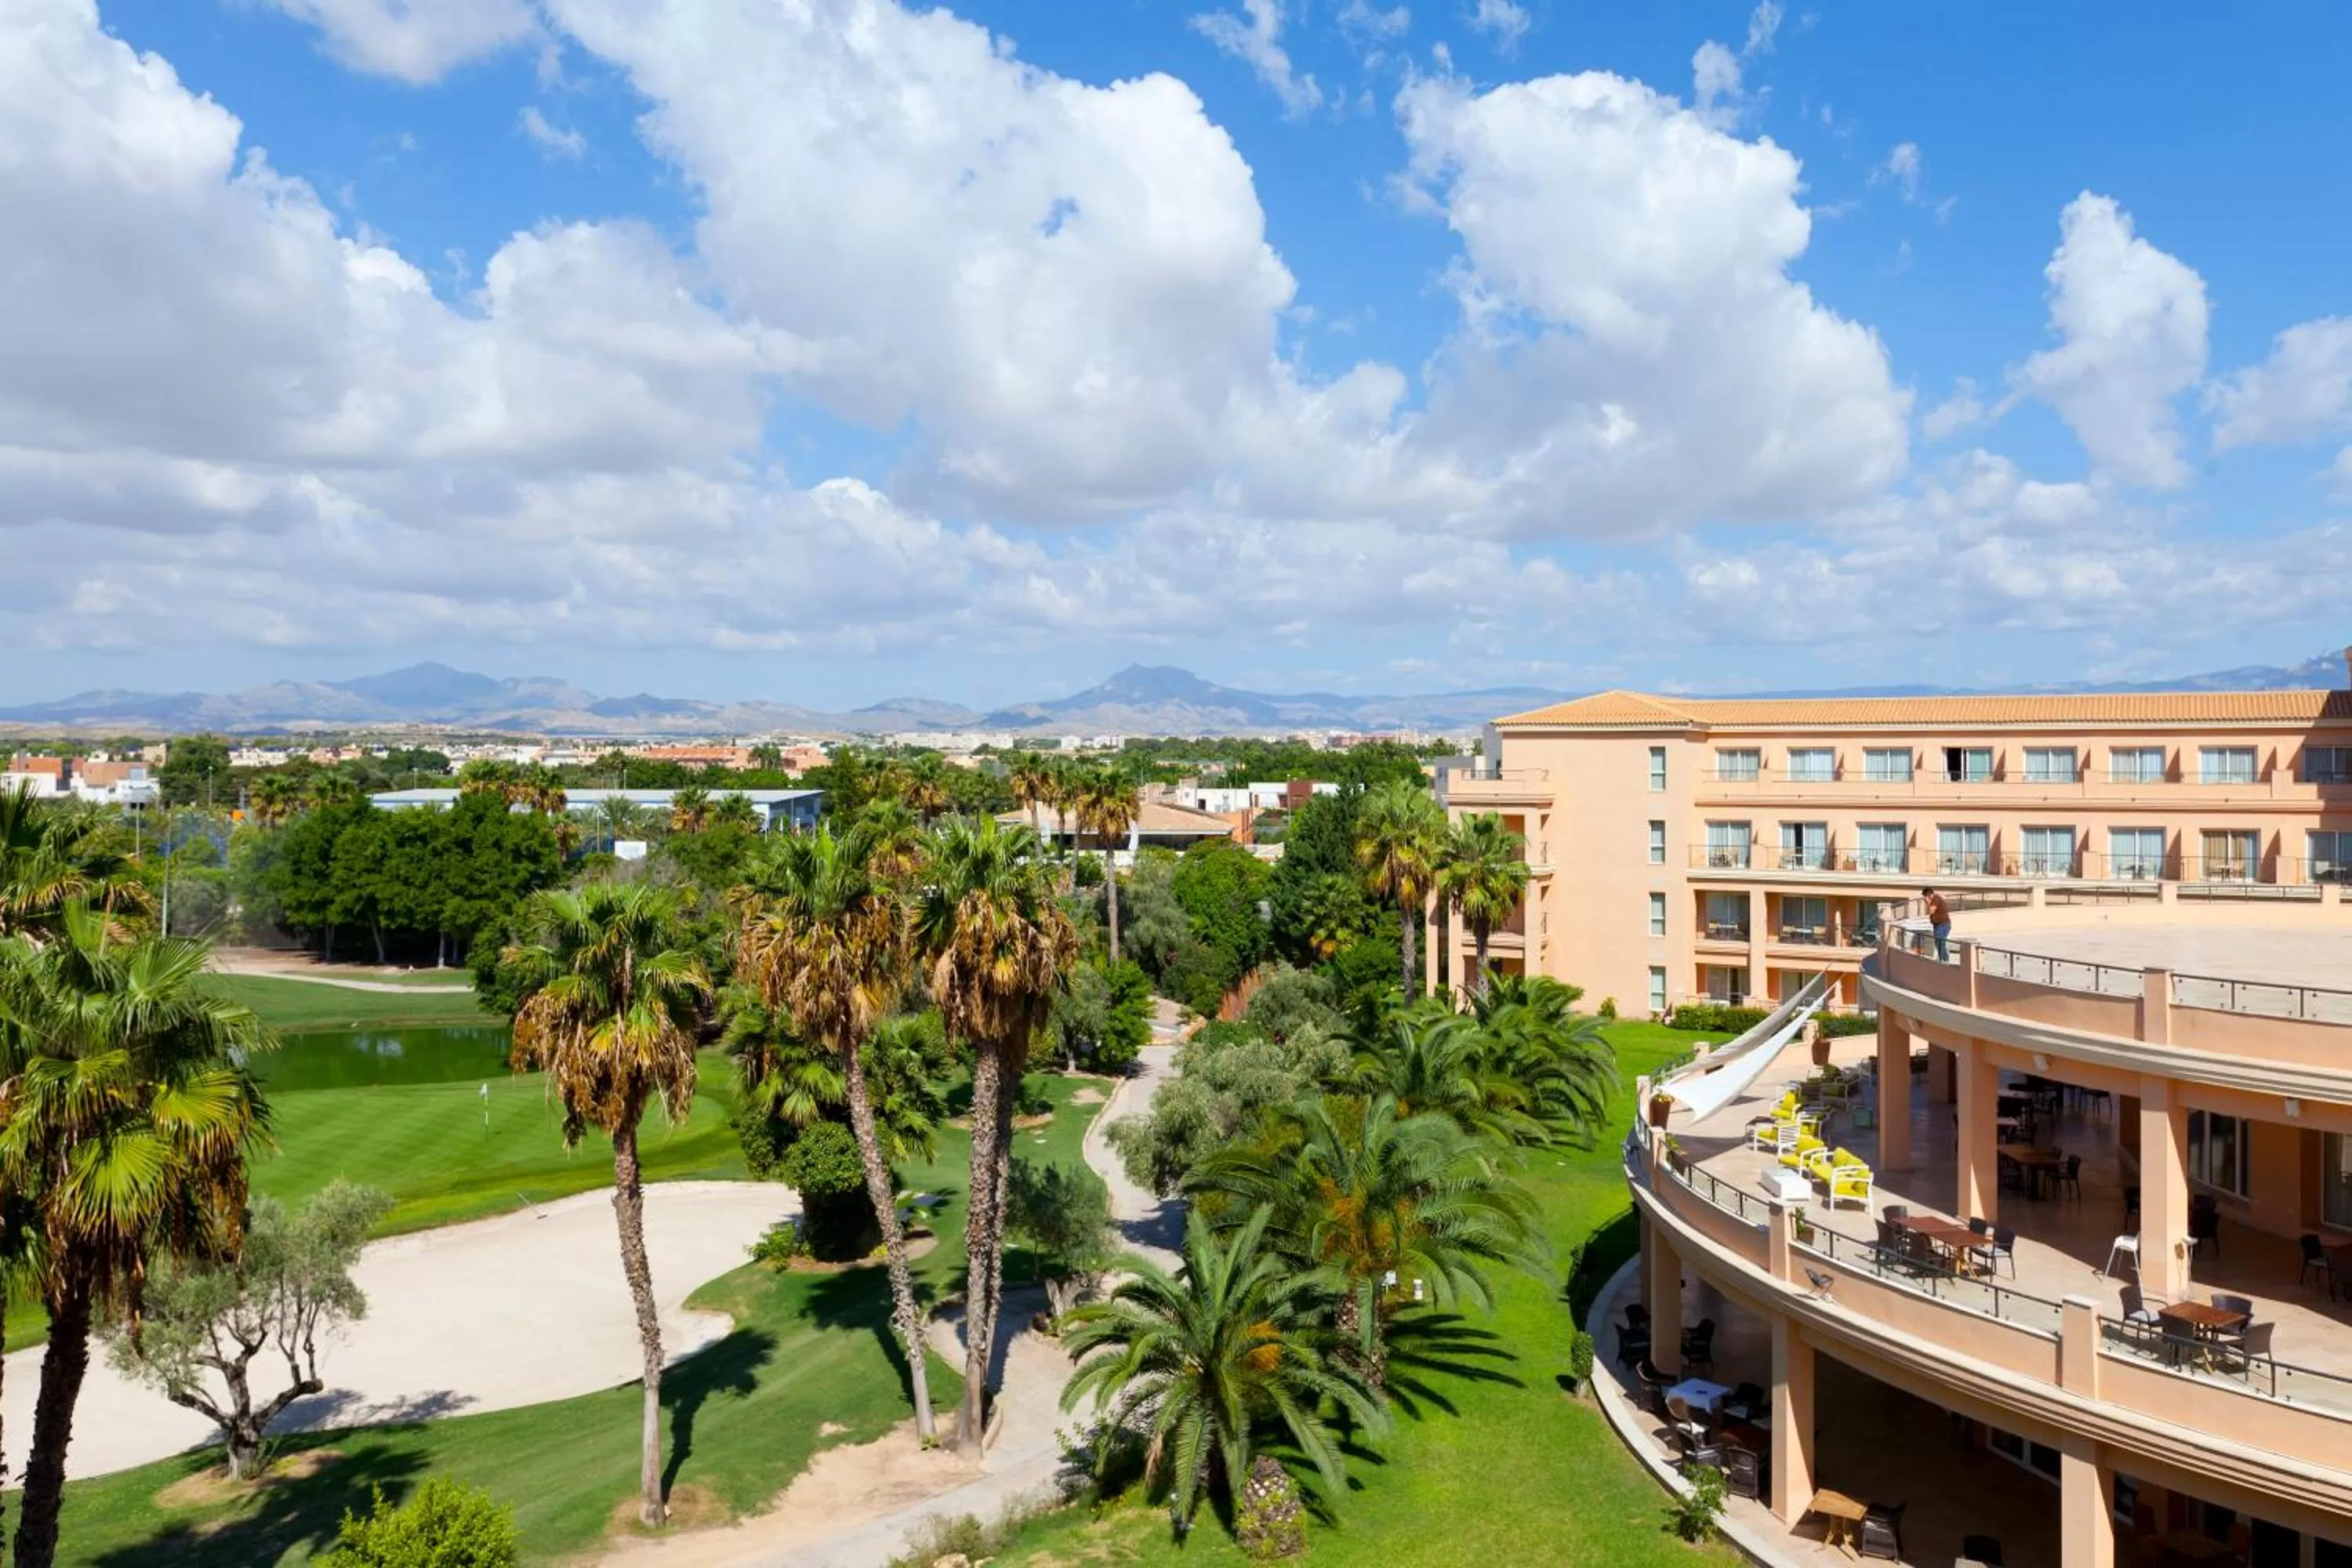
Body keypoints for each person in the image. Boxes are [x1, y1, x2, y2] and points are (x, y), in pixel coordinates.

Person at [1922, 887, 1952, 962]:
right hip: (1938, 925)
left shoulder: (1936, 899)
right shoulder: (1934, 899)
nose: (1924, 899)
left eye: (1925, 896)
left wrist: (1928, 902)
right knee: (1938, 943)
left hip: (1943, 925)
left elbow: (1931, 911)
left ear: (1929, 895)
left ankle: (1945, 960)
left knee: (1940, 942)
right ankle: (1942, 959)